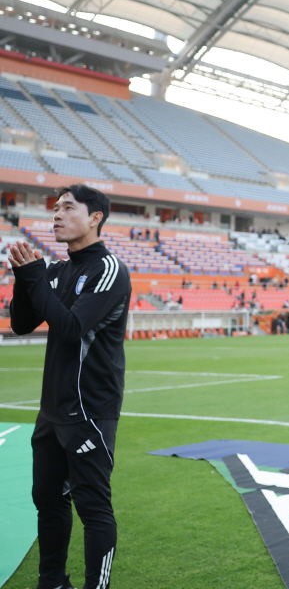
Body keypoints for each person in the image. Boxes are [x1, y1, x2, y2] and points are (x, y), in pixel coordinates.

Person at [9, 185, 131, 589]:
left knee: (93, 508)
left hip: (89, 410)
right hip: (52, 410)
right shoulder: (59, 271)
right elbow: (21, 323)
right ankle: (52, 582)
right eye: (54, 208)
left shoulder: (109, 269)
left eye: (67, 208)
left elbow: (73, 328)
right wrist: (23, 278)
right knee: (47, 500)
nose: (56, 214)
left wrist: (35, 279)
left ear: (95, 217)